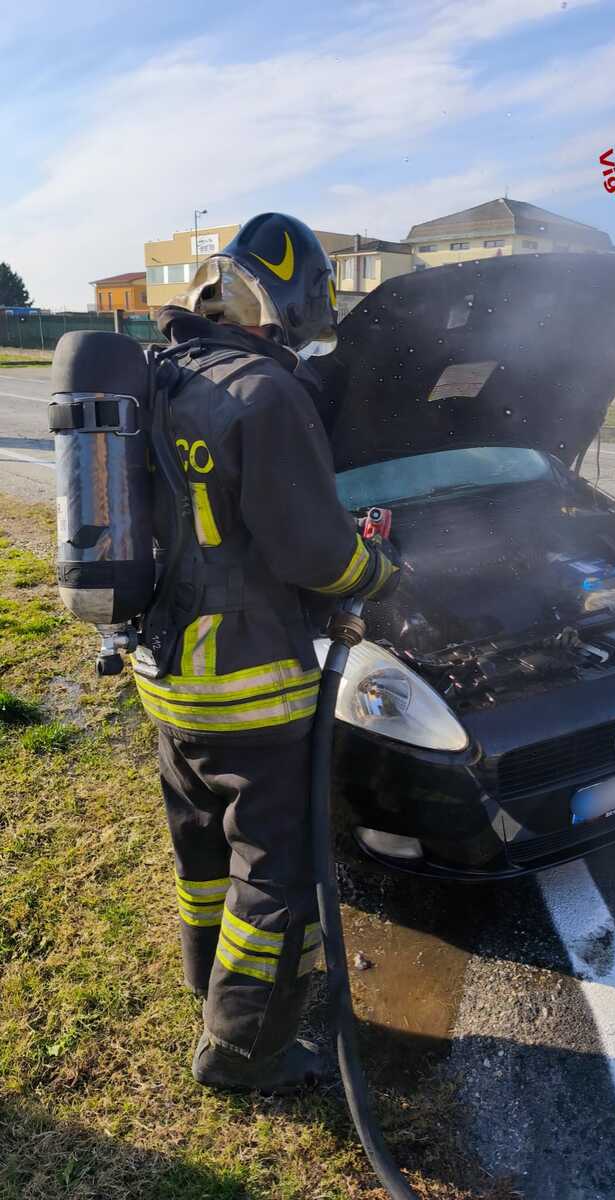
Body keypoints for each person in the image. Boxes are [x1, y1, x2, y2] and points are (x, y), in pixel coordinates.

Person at [132, 214, 401, 1092]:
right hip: (249, 686)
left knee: (204, 846)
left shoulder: (163, 375)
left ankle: (207, 988)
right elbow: (315, 554)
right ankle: (245, 1053)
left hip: (167, 677)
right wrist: (376, 574)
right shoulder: (265, 393)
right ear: (288, 303)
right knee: (274, 874)